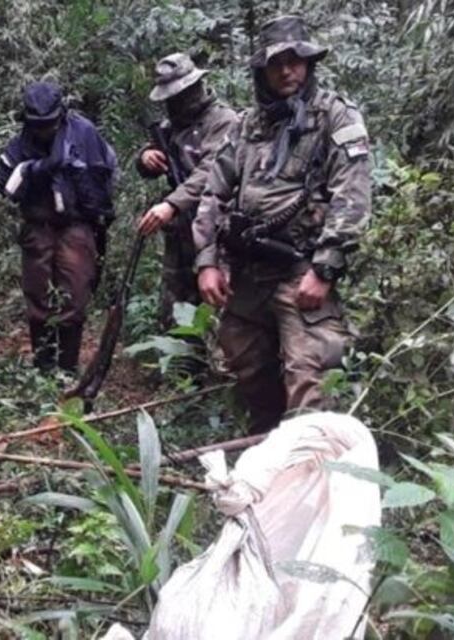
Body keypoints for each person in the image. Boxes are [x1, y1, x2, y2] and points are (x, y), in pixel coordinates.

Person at [193, 15, 371, 433]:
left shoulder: (335, 117)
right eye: (277, 63)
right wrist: (207, 261)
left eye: (296, 61)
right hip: (248, 272)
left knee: (310, 376)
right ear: (263, 70)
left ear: (309, 64)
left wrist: (325, 268)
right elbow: (214, 193)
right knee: (246, 366)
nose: (287, 70)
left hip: (300, 272)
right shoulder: (247, 125)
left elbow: (353, 195)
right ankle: (265, 459)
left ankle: (308, 470)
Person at [0, 81, 117, 374]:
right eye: (38, 124)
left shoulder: (83, 132)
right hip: (39, 225)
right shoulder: (22, 143)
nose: (44, 130)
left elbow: (107, 173)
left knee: (74, 294)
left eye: (48, 123)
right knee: (38, 296)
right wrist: (38, 170)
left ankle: (68, 367)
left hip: (77, 225)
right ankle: (43, 366)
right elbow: (6, 183)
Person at [135, 53, 238, 329]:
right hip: (180, 232)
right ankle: (181, 367)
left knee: (217, 305)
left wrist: (171, 204)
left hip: (216, 227)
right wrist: (147, 157)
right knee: (177, 306)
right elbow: (150, 158)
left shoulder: (223, 121)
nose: (176, 103)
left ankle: (215, 368)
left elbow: (211, 171)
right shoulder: (171, 127)